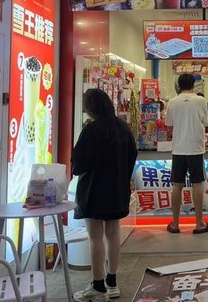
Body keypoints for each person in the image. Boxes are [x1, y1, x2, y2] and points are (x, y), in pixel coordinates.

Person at [72, 88, 138, 301]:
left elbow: (78, 165)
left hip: (93, 190)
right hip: (117, 189)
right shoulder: (122, 128)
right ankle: (112, 282)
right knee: (113, 234)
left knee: (95, 238)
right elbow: (132, 156)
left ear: (91, 107)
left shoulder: (91, 130)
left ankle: (98, 285)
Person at [165, 74, 208, 234]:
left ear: (179, 86)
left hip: (178, 149)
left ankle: (175, 224)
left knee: (177, 185)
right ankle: (199, 223)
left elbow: (169, 124)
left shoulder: (172, 102)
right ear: (194, 85)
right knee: (197, 184)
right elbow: (206, 123)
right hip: (196, 148)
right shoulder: (201, 101)